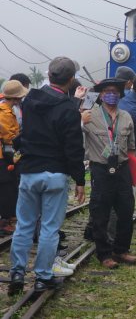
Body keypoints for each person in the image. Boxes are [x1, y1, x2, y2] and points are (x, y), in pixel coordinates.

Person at [8, 57, 86, 295]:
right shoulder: (68, 109)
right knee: (49, 228)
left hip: (29, 172)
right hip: (54, 173)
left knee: (23, 225)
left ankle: (17, 273)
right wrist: (80, 180)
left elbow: (24, 132)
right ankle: (43, 277)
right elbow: (73, 148)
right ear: (71, 80)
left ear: (49, 75)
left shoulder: (29, 99)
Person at [83, 78, 136, 269]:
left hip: (122, 169)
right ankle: (104, 253)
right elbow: (75, 130)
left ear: (120, 94)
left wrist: (134, 175)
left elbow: (131, 148)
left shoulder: (126, 117)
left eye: (114, 91)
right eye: (106, 91)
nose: (111, 94)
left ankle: (121, 249)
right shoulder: (90, 116)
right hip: (101, 169)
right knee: (101, 211)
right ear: (101, 95)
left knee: (126, 210)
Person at [0, 80, 28, 235]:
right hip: (3, 157)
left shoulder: (9, 110)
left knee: (9, 187)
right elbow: (8, 136)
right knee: (5, 188)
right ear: (16, 98)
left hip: (6, 155)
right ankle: (3, 223)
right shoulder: (4, 112)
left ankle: (7, 219)